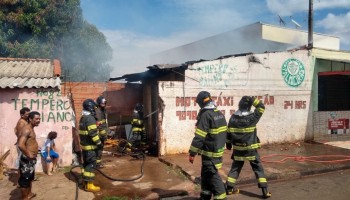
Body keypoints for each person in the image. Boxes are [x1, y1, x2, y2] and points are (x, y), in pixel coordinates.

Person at [225, 96, 272, 198]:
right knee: (258, 168)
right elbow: (261, 107)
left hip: (238, 150)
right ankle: (265, 192)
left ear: (239, 105)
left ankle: (229, 189)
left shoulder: (232, 118)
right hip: (251, 150)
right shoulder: (252, 118)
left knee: (235, 168)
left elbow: (228, 133)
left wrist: (228, 144)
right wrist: (252, 100)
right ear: (249, 106)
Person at [188, 91, 228, 200]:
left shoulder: (206, 115)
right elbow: (225, 132)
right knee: (205, 176)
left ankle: (222, 197)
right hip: (217, 151)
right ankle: (205, 196)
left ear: (201, 102)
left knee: (212, 176)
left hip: (210, 153)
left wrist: (192, 153)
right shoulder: (218, 113)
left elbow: (199, 136)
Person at [79, 99, 102, 192]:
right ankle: (89, 185)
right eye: (94, 107)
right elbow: (93, 133)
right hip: (91, 148)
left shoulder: (83, 117)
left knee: (86, 164)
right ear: (90, 107)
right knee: (91, 165)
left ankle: (85, 182)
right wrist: (99, 143)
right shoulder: (90, 118)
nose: (95, 109)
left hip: (84, 147)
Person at [17, 111, 41, 200]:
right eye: (36, 119)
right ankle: (24, 198)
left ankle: (29, 194)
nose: (38, 120)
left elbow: (29, 142)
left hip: (31, 159)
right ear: (30, 119)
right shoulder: (27, 129)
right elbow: (20, 144)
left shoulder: (31, 128)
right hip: (27, 159)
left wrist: (36, 148)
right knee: (25, 180)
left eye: (39, 119)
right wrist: (28, 153)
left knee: (30, 178)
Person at [14, 107, 30, 182]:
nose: (28, 116)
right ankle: (19, 181)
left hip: (25, 144)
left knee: (25, 162)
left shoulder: (25, 121)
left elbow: (15, 130)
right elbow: (20, 135)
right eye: (27, 115)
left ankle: (25, 178)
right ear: (22, 115)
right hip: (22, 145)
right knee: (21, 162)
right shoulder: (21, 122)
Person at [95, 96, 108, 168]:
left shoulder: (103, 110)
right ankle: (97, 163)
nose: (104, 104)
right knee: (99, 148)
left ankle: (97, 162)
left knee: (100, 148)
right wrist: (104, 134)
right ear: (99, 103)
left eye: (104, 103)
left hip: (102, 133)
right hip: (99, 134)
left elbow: (104, 123)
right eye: (102, 103)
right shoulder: (98, 111)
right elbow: (99, 125)